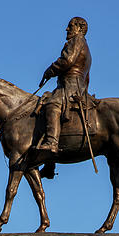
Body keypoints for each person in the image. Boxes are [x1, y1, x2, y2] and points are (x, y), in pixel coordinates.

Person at [37, 17, 92, 153]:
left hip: (71, 85)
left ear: (80, 28)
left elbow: (67, 60)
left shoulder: (77, 40)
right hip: (77, 85)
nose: (67, 29)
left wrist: (50, 70)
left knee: (52, 104)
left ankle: (52, 142)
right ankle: (50, 164)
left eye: (70, 26)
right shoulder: (84, 45)